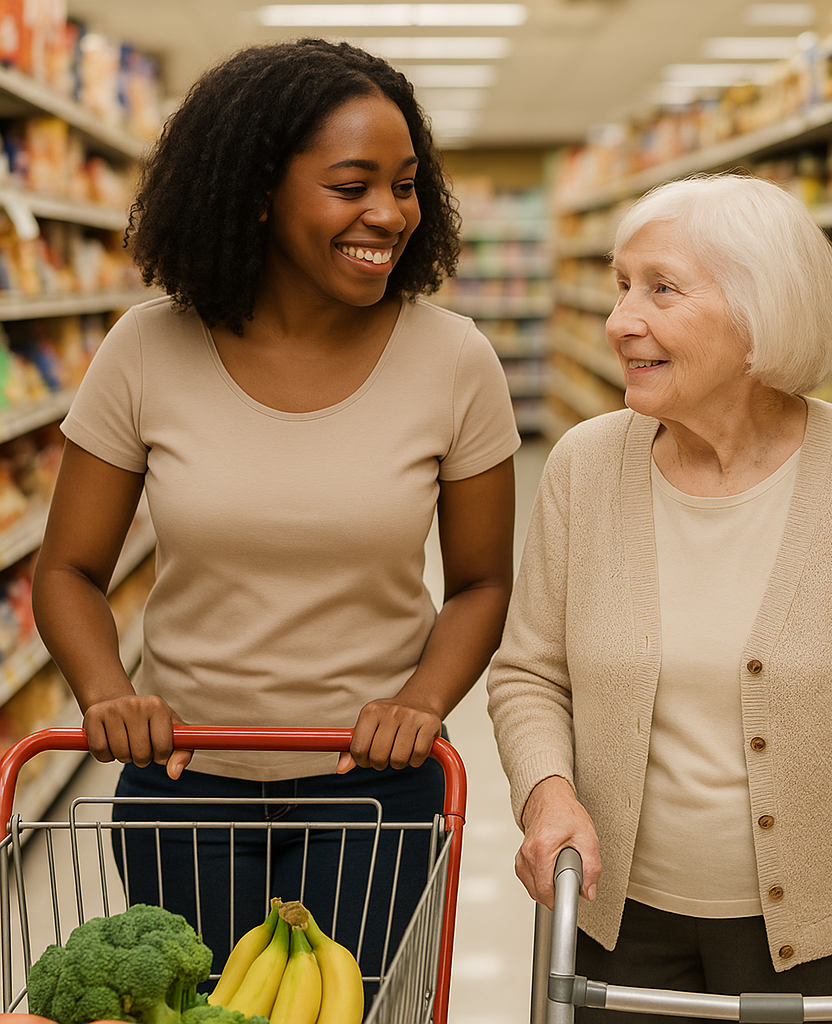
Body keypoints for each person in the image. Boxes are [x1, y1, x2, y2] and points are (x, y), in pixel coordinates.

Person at [31, 37, 519, 986]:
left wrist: (421, 703)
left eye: (407, 183)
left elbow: (483, 583)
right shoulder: (145, 349)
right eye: (352, 185)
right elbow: (67, 570)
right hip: (183, 785)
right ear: (258, 190)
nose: (389, 213)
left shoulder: (455, 361)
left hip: (374, 792)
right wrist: (104, 693)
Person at [486, 172, 832, 1021]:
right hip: (617, 921)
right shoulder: (584, 466)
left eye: (661, 288)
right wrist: (547, 793)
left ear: (762, 313)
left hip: (831, 928)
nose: (621, 320)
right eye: (621, 285)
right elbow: (529, 674)